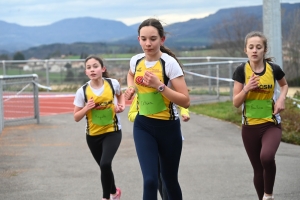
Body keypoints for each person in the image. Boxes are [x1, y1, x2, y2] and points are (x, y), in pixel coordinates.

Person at [124, 18, 190, 200]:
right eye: (143, 39)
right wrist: (130, 88)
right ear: (138, 40)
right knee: (150, 180)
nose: (148, 43)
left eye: (153, 38)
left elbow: (185, 101)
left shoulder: (169, 64)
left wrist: (159, 85)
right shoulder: (136, 60)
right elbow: (130, 75)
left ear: (162, 40)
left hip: (168, 128)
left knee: (169, 180)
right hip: (143, 126)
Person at [232, 31, 288, 200]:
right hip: (249, 127)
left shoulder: (273, 69)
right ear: (246, 50)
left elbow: (284, 85)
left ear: (264, 50)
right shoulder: (241, 71)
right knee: (258, 169)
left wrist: (281, 99)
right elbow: (236, 102)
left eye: (258, 47)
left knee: (267, 156)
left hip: (271, 123)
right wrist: (246, 88)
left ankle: (268, 195)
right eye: (251, 47)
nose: (255, 50)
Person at [73, 55, 125, 200]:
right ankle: (115, 192)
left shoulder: (112, 83)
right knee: (105, 167)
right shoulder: (82, 91)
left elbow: (120, 96)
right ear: (86, 72)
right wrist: (86, 108)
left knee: (105, 163)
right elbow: (76, 117)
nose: (92, 70)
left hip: (112, 131)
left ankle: (106, 197)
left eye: (95, 66)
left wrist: (121, 106)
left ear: (103, 69)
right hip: (93, 136)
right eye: (89, 67)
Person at [128, 94, 190, 200]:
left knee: (168, 178)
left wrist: (185, 113)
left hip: (169, 136)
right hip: (149, 138)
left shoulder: (166, 92)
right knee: (154, 178)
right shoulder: (141, 96)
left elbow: (183, 103)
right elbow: (131, 115)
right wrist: (144, 113)